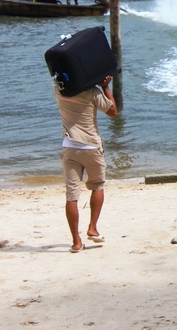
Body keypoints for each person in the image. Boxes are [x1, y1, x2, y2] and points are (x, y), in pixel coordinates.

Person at [53, 75, 118, 253]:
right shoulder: (92, 92)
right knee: (97, 186)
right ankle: (92, 228)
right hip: (91, 146)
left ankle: (76, 242)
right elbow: (113, 112)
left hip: (69, 147)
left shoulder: (59, 90)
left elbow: (56, 76)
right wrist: (105, 87)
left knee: (72, 196)